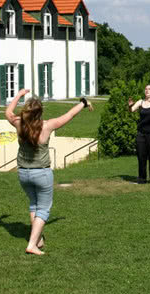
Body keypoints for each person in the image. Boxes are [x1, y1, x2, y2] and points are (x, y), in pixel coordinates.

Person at [5, 89, 93, 255]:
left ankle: (37, 239)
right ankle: (32, 244)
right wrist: (83, 103)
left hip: (23, 173)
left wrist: (19, 95)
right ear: (40, 112)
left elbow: (8, 112)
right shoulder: (47, 126)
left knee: (34, 205)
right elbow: (69, 115)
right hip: (42, 174)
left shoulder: (18, 123)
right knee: (44, 209)